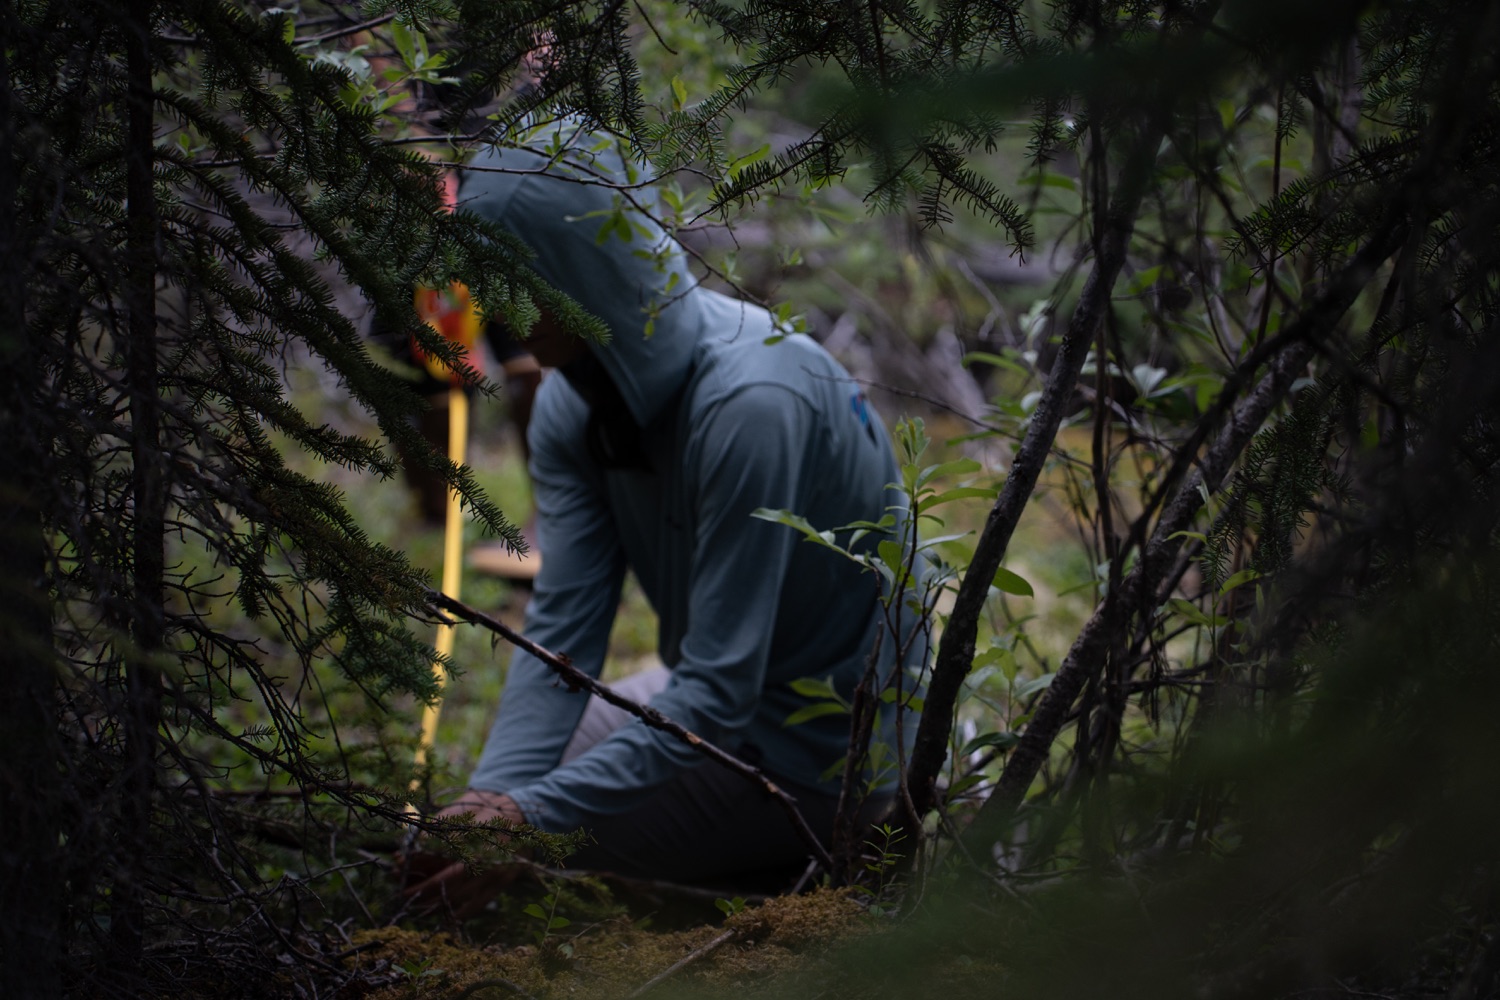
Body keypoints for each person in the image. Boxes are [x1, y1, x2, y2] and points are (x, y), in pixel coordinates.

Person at [428, 122, 923, 890]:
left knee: (535, 864)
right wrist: (491, 802)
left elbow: (718, 695)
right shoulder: (572, 404)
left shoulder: (751, 405)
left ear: (581, 273)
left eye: (510, 282)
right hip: (709, 708)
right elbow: (563, 631)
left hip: (824, 755)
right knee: (478, 829)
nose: (492, 309)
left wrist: (528, 828)